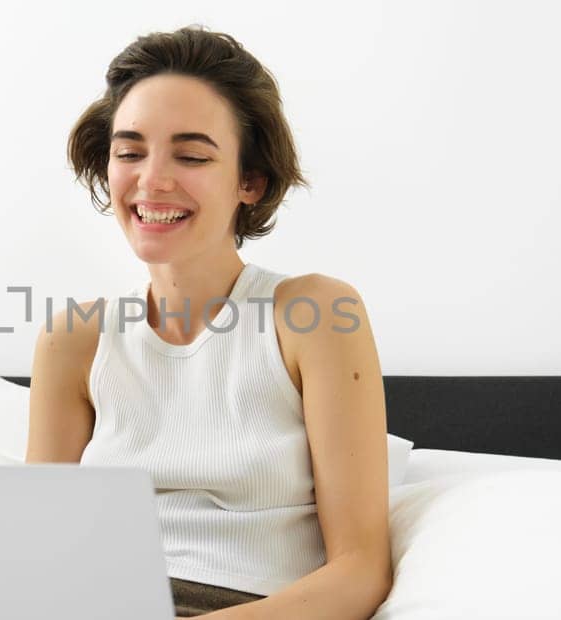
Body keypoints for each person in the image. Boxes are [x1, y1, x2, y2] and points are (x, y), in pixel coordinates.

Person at [27, 25, 393, 619]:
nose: (152, 180)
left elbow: (360, 571)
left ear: (251, 181)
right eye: (129, 152)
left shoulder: (316, 315)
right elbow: (34, 550)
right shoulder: (74, 339)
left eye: (192, 155)